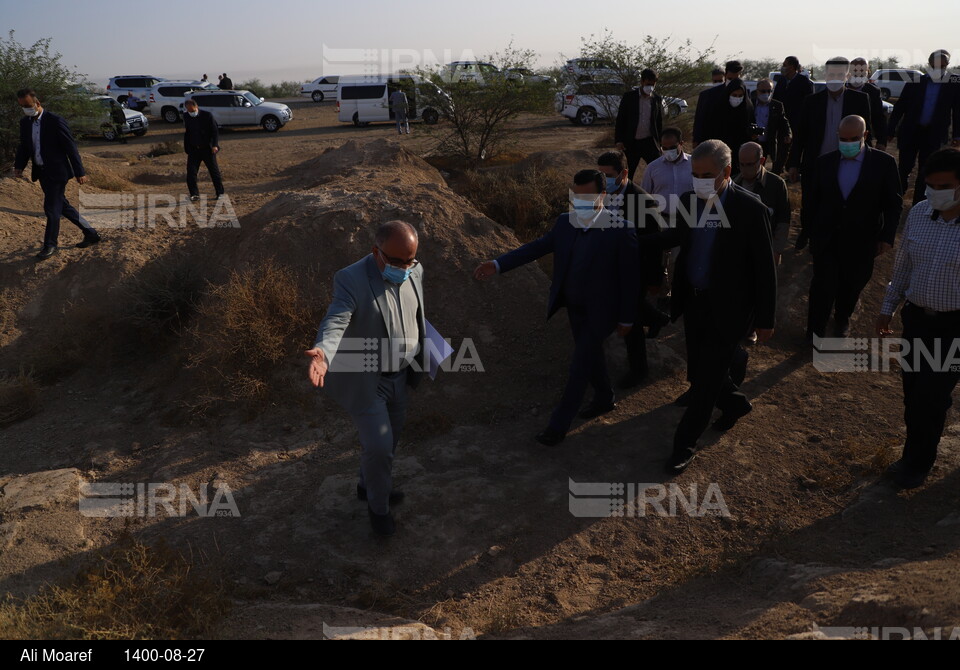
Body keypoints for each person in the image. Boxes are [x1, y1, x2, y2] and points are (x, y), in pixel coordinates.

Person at [473, 170, 640, 446]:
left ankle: (558, 425)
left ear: (603, 195)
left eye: (587, 196)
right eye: (576, 196)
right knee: (590, 356)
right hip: (574, 307)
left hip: (603, 311)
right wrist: (498, 264)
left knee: (579, 365)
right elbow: (535, 248)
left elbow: (631, 280)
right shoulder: (566, 223)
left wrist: (627, 318)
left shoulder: (621, 229)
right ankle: (604, 397)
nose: (581, 201)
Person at [640, 140, 777, 473]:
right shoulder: (691, 200)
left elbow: (764, 269)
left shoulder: (749, 209)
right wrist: (634, 239)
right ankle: (735, 404)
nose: (699, 180)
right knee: (701, 369)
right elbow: (676, 237)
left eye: (707, 175)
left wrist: (765, 318)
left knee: (704, 384)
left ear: (726, 172)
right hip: (695, 302)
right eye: (695, 174)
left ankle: (684, 444)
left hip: (730, 308)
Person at [306, 221, 426, 536]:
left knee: (389, 442)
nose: (405, 267)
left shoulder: (415, 270)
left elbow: (415, 316)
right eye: (398, 261)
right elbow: (336, 318)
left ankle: (366, 485)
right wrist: (323, 352)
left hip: (400, 375)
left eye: (410, 260)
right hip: (368, 378)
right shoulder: (351, 279)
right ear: (376, 251)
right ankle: (378, 510)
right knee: (381, 446)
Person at [876, 148, 960, 490]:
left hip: (954, 328)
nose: (933, 192)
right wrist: (887, 307)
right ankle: (912, 453)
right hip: (918, 322)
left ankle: (919, 463)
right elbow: (904, 267)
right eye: (929, 185)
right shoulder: (921, 214)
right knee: (913, 393)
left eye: (943, 185)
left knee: (933, 395)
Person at [802, 115, 902, 339]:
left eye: (854, 138)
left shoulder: (883, 164)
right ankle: (814, 331)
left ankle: (842, 319)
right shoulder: (824, 163)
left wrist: (887, 237)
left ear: (865, 136)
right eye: (843, 138)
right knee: (822, 286)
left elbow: (893, 204)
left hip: (862, 240)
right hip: (827, 237)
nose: (847, 143)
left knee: (851, 285)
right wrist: (809, 233)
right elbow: (812, 202)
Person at [598, 150, 670, 387]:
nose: (604, 180)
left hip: (636, 270)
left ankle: (639, 369)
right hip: (611, 268)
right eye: (601, 175)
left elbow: (657, 244)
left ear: (624, 173)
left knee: (632, 320)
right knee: (632, 308)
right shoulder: (601, 194)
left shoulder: (643, 201)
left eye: (608, 175)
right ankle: (658, 318)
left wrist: (655, 279)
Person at [13, 88, 100, 260]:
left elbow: (70, 148)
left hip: (58, 172)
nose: (26, 109)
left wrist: (79, 171)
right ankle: (91, 233)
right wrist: (19, 166)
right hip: (42, 172)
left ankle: (50, 245)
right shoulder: (25, 123)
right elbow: (24, 147)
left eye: (28, 105)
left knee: (51, 209)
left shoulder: (55, 121)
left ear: (37, 103)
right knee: (63, 206)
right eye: (22, 106)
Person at [790, 57, 872, 214]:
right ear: (825, 76)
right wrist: (794, 163)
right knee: (810, 203)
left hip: (847, 162)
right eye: (831, 74)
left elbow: (866, 134)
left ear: (847, 76)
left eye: (840, 74)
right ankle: (807, 234)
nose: (835, 78)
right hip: (815, 163)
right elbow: (800, 135)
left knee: (841, 206)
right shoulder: (811, 102)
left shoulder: (860, 100)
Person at [888, 50, 960, 206]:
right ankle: (895, 201)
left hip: (934, 135)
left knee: (926, 172)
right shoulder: (915, 82)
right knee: (904, 168)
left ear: (947, 65)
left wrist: (957, 135)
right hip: (911, 132)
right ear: (929, 64)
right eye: (936, 64)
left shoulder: (954, 84)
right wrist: (890, 129)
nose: (939, 68)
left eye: (943, 65)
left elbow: (958, 111)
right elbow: (900, 107)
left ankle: (918, 205)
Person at [735, 142, 791, 266]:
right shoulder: (732, 184)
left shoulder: (776, 184)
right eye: (741, 165)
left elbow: (783, 220)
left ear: (761, 161)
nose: (745, 169)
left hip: (765, 250)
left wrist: (776, 250)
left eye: (749, 164)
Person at [615, 69, 663, 181]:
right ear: (642, 82)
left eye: (653, 84)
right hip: (631, 142)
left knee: (658, 169)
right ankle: (626, 195)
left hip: (649, 142)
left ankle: (656, 193)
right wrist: (619, 140)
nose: (650, 87)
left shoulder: (656, 99)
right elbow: (621, 119)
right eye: (648, 84)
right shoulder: (629, 97)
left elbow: (658, 122)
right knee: (628, 173)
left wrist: (660, 142)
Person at [693, 61, 744, 147]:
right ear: (725, 76)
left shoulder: (744, 94)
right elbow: (700, 119)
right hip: (713, 141)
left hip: (736, 142)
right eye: (730, 79)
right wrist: (696, 139)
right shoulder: (709, 95)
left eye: (736, 79)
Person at [182, 98, 224, 201]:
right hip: (193, 150)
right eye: (188, 111)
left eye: (192, 110)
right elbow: (188, 132)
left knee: (214, 172)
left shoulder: (207, 116)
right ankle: (194, 194)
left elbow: (214, 132)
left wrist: (214, 145)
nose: (190, 112)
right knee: (191, 173)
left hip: (207, 149)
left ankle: (220, 193)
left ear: (196, 107)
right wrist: (187, 148)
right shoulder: (186, 116)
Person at [750, 78, 791, 171]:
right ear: (757, 91)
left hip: (769, 142)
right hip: (753, 142)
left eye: (769, 91)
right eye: (763, 91)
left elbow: (784, 121)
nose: (766, 93)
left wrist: (788, 134)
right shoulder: (750, 104)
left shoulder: (777, 105)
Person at [715, 78, 755, 173]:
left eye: (740, 96)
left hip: (741, 153)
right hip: (722, 151)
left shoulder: (748, 108)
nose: (737, 98)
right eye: (734, 95)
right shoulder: (719, 108)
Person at [847, 58, 887, 150]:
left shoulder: (873, 92)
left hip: (863, 140)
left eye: (862, 70)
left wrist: (881, 141)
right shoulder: (840, 89)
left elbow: (878, 118)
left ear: (867, 72)